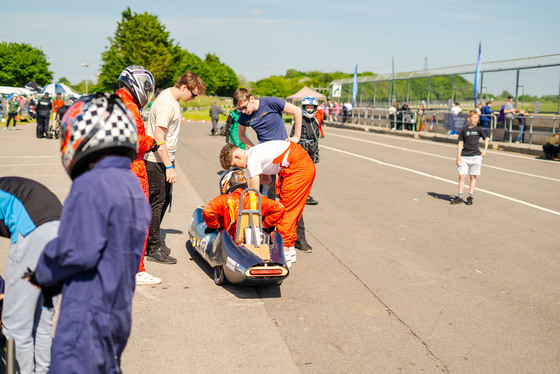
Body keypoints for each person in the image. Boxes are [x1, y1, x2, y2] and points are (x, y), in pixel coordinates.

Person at [24, 93, 151, 373]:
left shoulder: (91, 184)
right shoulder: (132, 185)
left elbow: (76, 250)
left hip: (87, 310)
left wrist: (41, 273)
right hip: (117, 309)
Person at [219, 140, 315, 267]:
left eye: (235, 164)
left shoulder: (252, 158)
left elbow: (254, 193)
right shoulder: (256, 152)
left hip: (297, 168)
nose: (240, 167)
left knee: (285, 214)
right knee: (293, 213)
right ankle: (290, 250)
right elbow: (266, 179)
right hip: (302, 164)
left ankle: (282, 260)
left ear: (237, 156)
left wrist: (250, 210)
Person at [1, 177, 62, 374]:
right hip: (60, 235)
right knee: (42, 319)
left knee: (15, 325)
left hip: (34, 231)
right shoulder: (9, 187)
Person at [145, 71, 206, 264]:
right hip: (156, 161)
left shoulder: (174, 101)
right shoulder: (166, 103)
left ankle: (152, 242)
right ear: (184, 87)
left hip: (163, 160)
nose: (194, 98)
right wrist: (169, 166)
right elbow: (158, 136)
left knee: (163, 202)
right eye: (193, 94)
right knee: (157, 203)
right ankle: (152, 248)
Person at [116, 65, 161, 285]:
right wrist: (150, 142)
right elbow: (132, 142)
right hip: (132, 168)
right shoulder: (130, 107)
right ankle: (136, 269)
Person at [233, 88, 302, 201]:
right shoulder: (244, 117)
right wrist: (254, 149)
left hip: (285, 154)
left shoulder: (271, 103)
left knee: (289, 193)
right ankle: (268, 216)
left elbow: (297, 111)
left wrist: (296, 136)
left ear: (251, 99)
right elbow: (242, 136)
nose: (243, 111)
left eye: (244, 107)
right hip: (267, 158)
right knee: (268, 194)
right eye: (240, 109)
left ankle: (293, 218)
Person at [202, 167, 284, 242]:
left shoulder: (225, 199)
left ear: (226, 184)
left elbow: (207, 210)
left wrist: (215, 226)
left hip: (231, 242)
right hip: (254, 240)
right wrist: (264, 226)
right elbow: (279, 208)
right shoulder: (256, 197)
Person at [289, 96, 321, 253]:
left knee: (309, 180)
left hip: (310, 155)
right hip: (300, 156)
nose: (309, 110)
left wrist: (315, 152)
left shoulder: (315, 122)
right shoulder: (298, 120)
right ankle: (295, 239)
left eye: (311, 108)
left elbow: (316, 138)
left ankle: (306, 193)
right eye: (306, 107)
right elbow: (294, 139)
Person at [450, 110, 489, 206]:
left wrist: (485, 150)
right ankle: (459, 196)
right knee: (462, 176)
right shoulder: (464, 130)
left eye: (477, 118)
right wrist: (458, 156)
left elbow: (486, 139)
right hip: (464, 156)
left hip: (476, 156)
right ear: (469, 119)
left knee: (472, 176)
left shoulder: (479, 129)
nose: (476, 119)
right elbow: (460, 143)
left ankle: (470, 196)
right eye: (474, 117)